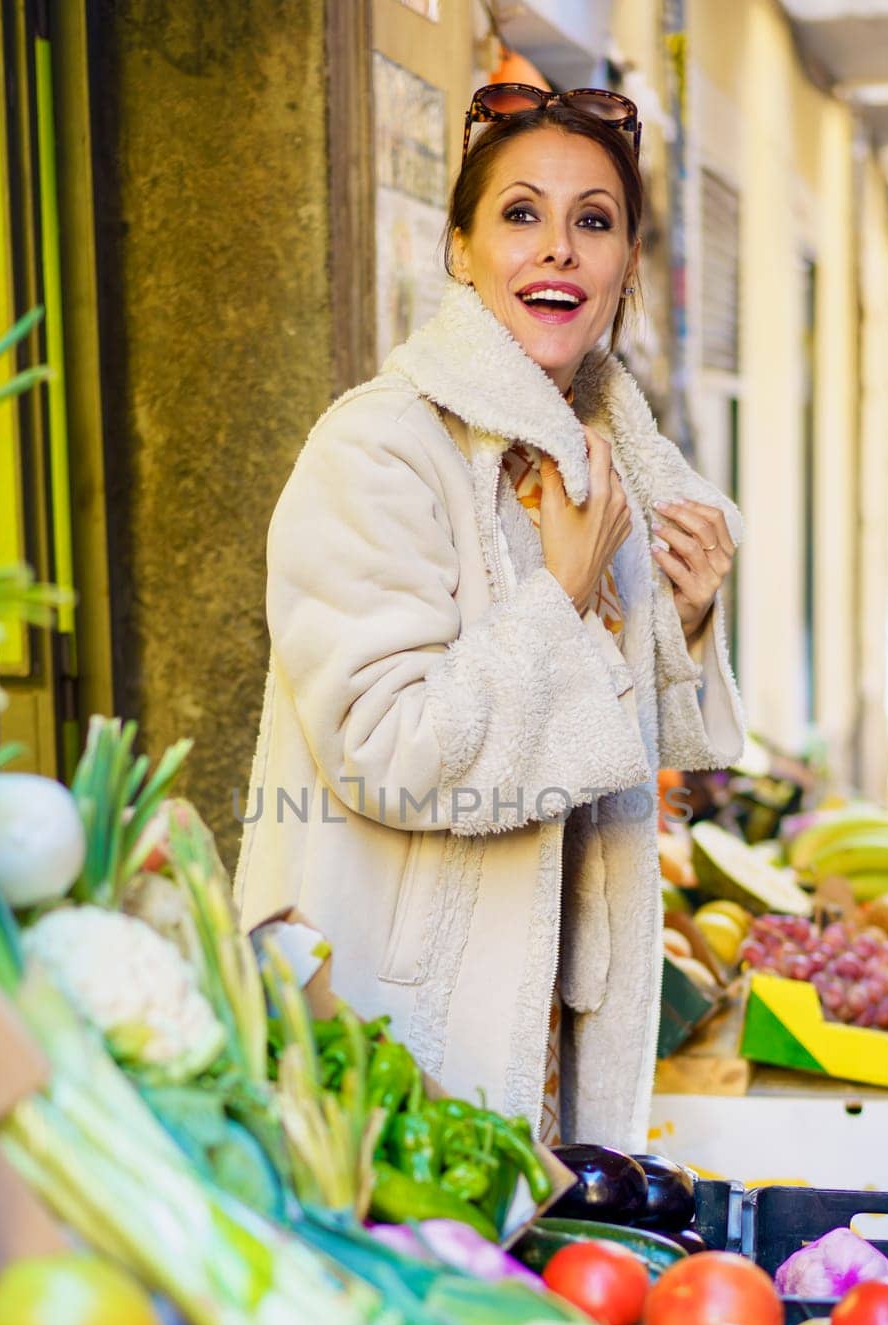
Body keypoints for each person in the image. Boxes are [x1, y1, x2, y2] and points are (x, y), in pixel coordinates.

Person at [236, 86, 744, 1151]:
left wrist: (679, 622)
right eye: (519, 214)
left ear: (624, 264)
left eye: (592, 221)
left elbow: (611, 741)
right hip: (401, 1022)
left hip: (552, 1025)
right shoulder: (375, 449)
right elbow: (386, 749)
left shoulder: (608, 463)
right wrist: (557, 598)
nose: (556, 249)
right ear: (457, 251)